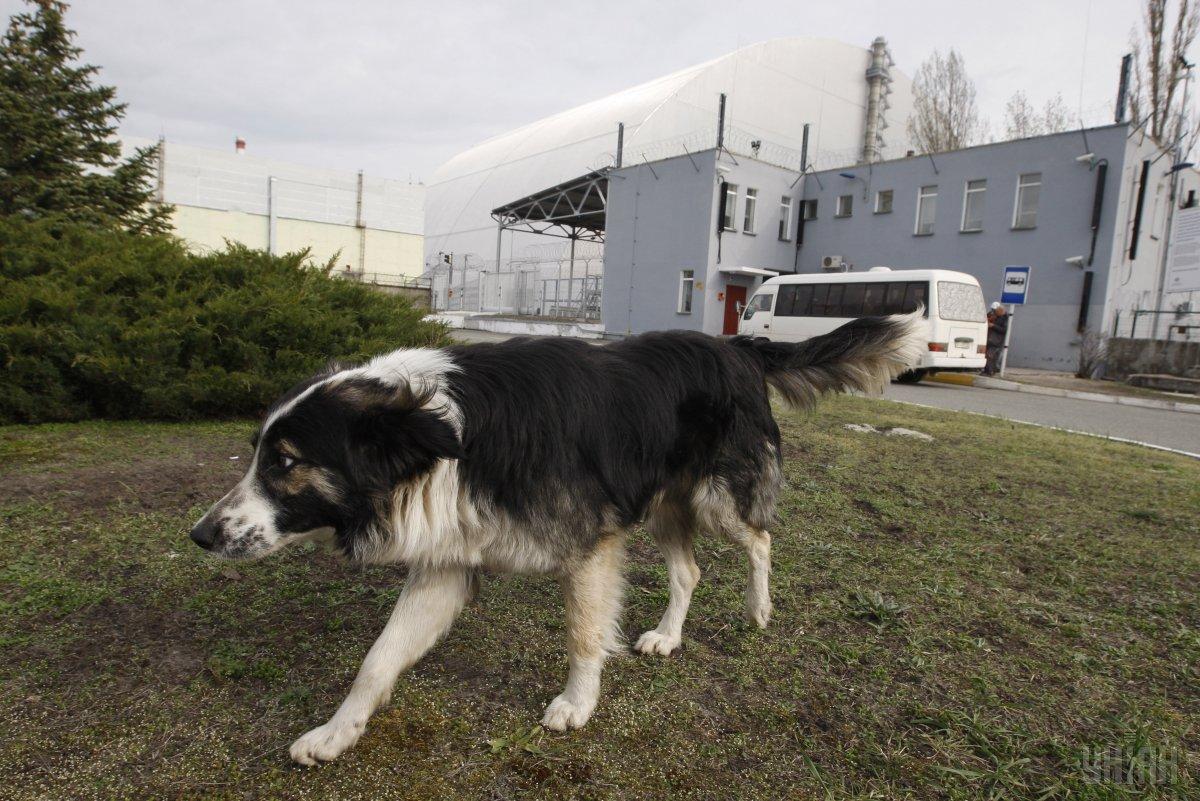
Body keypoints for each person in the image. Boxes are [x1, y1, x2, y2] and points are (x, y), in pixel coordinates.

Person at [983, 302, 1008, 376]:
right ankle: (986, 371)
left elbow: (1004, 330)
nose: (993, 312)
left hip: (997, 341)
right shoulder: (993, 315)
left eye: (995, 311)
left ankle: (990, 372)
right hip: (990, 339)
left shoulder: (1005, 318)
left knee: (991, 356)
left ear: (1000, 310)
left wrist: (993, 326)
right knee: (987, 356)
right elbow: (986, 317)